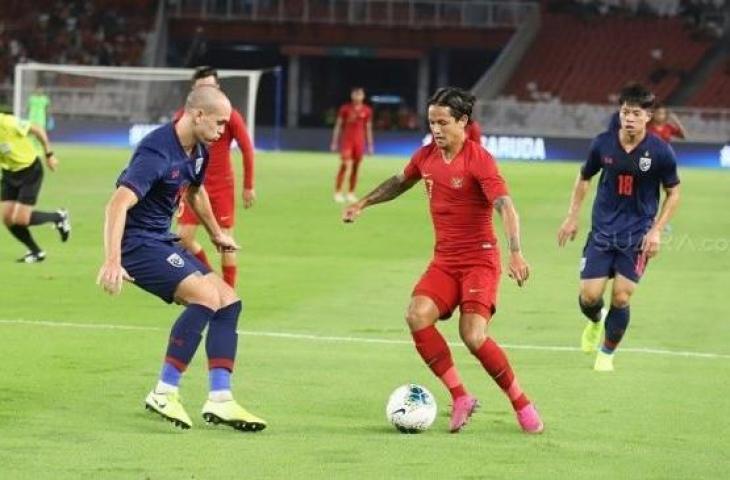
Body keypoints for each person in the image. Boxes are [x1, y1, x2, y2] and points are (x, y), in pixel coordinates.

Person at [343, 87, 543, 434]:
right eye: (431, 122)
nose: (435, 129)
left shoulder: (478, 159)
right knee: (416, 315)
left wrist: (515, 251)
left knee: (473, 335)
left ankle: (521, 403)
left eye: (443, 122)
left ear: (463, 122)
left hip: (479, 260)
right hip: (445, 261)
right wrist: (363, 203)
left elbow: (505, 206)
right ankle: (460, 397)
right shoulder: (426, 157)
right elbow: (398, 182)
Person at [96, 85, 266, 432]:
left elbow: (195, 191)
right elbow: (116, 204)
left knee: (228, 302)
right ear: (197, 115)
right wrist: (112, 260)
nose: (224, 132)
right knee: (205, 297)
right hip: (137, 244)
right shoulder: (157, 151)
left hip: (163, 239)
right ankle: (164, 391)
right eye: (219, 123)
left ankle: (221, 399)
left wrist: (217, 233)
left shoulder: (199, 151)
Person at [557, 83, 681, 372]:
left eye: (636, 113)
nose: (629, 118)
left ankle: (606, 354)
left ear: (648, 117)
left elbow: (674, 192)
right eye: (625, 112)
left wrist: (657, 230)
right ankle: (595, 321)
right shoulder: (602, 143)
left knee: (622, 296)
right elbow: (584, 177)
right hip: (602, 233)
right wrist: (572, 216)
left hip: (637, 235)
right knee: (589, 297)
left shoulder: (660, 151)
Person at [176, 66, 256, 288]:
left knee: (225, 240)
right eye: (202, 87)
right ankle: (213, 283)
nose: (207, 90)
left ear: (217, 87)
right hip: (191, 186)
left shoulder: (228, 115)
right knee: (183, 238)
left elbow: (247, 149)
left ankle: (228, 292)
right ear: (194, 89)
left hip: (220, 187)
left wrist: (248, 186)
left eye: (211, 86)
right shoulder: (183, 117)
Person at [0, 113, 70, 263]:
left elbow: (37, 129)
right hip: (8, 173)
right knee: (7, 218)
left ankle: (59, 217)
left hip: (29, 170)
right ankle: (36, 252)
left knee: (20, 219)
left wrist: (49, 154)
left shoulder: (8, 123)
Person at [330, 87, 374, 203]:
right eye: (355, 94)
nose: (358, 96)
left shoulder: (367, 110)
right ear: (352, 95)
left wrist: (370, 145)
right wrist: (334, 141)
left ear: (363, 96)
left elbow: (368, 128)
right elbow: (338, 126)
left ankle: (351, 192)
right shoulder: (345, 109)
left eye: (360, 94)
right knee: (345, 165)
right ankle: (338, 192)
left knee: (355, 167)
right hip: (347, 142)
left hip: (359, 142)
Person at [27, 89, 51, 155]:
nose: (39, 91)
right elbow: (28, 109)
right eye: (38, 90)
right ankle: (30, 148)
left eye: (41, 90)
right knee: (31, 135)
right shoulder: (31, 99)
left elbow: (47, 110)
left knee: (40, 134)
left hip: (41, 119)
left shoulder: (45, 99)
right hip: (32, 119)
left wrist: (48, 119)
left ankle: (40, 149)